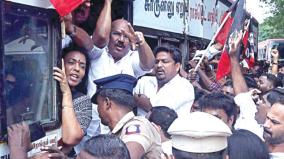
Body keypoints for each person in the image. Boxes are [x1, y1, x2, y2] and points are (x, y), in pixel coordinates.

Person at [91, 74, 162, 159]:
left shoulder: (136, 126)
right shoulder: (117, 132)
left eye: (98, 104)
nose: (98, 109)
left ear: (107, 103)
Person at [134, 44, 194, 117]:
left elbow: (165, 117)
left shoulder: (184, 87)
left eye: (164, 61)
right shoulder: (144, 81)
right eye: (156, 62)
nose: (159, 65)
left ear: (177, 66)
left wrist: (148, 107)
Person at [53, 46, 92, 147]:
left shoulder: (83, 101)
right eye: (71, 62)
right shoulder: (45, 92)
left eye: (82, 66)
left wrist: (66, 92)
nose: (77, 69)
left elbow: (71, 138)